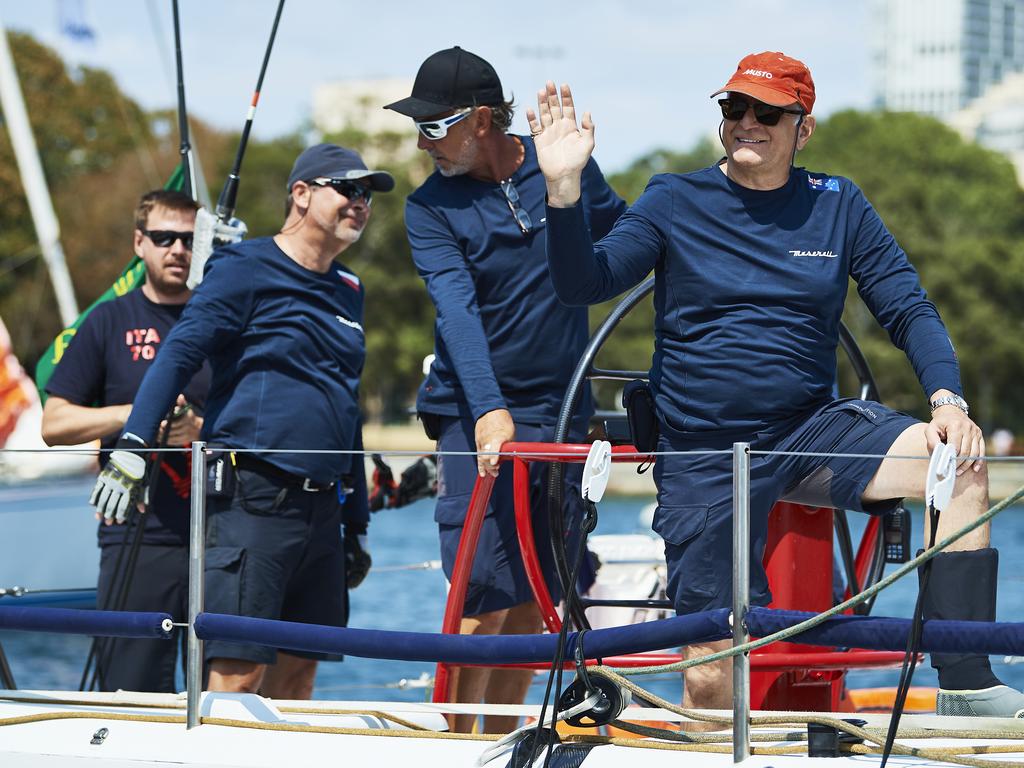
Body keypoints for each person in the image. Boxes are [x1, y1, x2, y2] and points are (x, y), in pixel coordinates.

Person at [532, 51, 1024, 718]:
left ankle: (963, 685)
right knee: (711, 660)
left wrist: (947, 399)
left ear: (804, 129)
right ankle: (716, 749)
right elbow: (583, 284)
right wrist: (563, 191)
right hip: (705, 453)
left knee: (961, 465)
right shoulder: (672, 198)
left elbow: (908, 308)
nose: (748, 122)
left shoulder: (839, 203)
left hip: (808, 432)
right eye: (735, 108)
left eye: (769, 112)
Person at [88, 144, 393, 700]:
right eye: (348, 189)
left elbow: (343, 404)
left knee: (300, 672)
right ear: (300, 194)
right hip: (253, 500)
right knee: (238, 672)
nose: (360, 202)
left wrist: (358, 521)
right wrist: (133, 445)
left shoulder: (351, 289)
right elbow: (178, 355)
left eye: (367, 195)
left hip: (323, 511)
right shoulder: (244, 268)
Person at [384, 46, 626, 732]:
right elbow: (455, 313)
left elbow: (623, 238)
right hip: (472, 410)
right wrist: (490, 409)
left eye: (434, 127)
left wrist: (571, 181)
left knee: (542, 590)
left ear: (482, 119)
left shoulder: (555, 163)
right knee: (482, 589)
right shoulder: (427, 208)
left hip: (564, 410)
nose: (422, 141)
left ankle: (503, 738)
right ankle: (457, 743)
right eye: (419, 127)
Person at [42, 189, 209, 692]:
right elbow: (54, 425)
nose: (177, 249)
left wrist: (199, 428)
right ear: (140, 243)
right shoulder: (108, 321)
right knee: (130, 693)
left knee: (223, 699)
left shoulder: (222, 322)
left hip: (220, 538)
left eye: (188, 239)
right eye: (164, 238)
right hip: (135, 532)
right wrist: (135, 416)